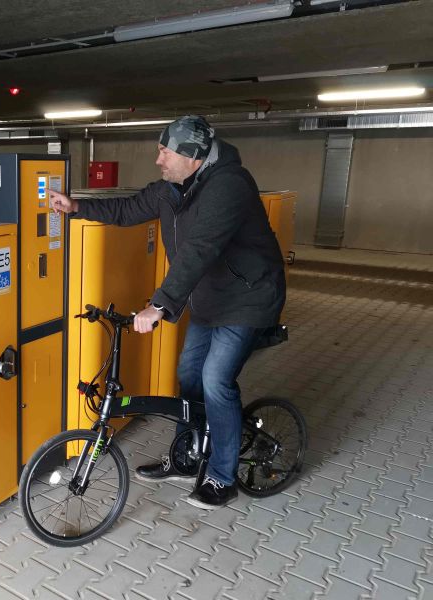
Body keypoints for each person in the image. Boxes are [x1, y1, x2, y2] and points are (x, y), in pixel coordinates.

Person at [47, 115, 286, 509]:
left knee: (215, 379)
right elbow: (128, 209)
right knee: (189, 375)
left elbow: (201, 249)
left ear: (192, 155)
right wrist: (75, 207)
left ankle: (222, 477)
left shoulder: (229, 185)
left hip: (248, 297)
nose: (158, 159)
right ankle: (188, 455)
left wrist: (159, 304)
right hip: (210, 297)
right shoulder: (172, 188)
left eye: (164, 151)